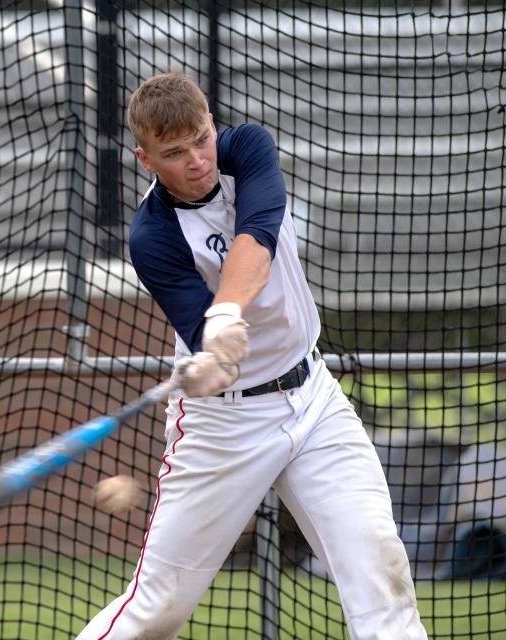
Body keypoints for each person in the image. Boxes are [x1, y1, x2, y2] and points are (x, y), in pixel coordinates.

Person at [76, 72, 427, 639]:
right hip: (226, 426)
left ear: (212, 123)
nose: (195, 160)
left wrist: (225, 314)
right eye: (174, 152)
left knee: (379, 570)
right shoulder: (152, 236)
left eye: (200, 138)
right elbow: (204, 342)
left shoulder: (248, 149)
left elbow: (257, 235)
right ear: (146, 159)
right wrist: (211, 364)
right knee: (157, 609)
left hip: (314, 401)